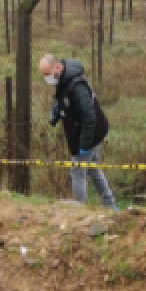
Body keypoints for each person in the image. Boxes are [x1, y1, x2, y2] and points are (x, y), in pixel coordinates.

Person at [39, 54, 118, 210]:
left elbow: (89, 116)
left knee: (77, 171)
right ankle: (109, 204)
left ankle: (78, 208)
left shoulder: (77, 86)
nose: (46, 78)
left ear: (58, 67)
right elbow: (67, 102)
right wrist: (58, 111)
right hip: (85, 132)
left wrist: (85, 144)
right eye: (44, 75)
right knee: (93, 169)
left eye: (47, 74)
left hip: (89, 133)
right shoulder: (64, 80)